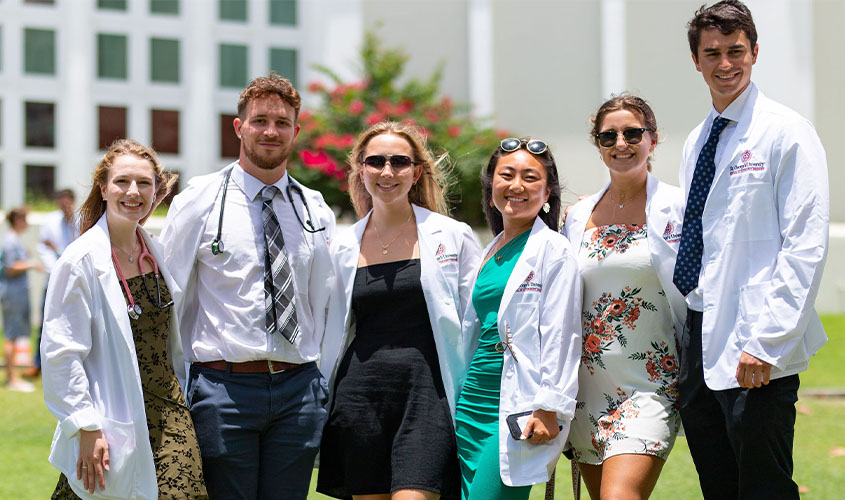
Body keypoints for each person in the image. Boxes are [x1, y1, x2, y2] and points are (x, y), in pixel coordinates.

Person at [676, 2, 829, 498]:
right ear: (695, 62)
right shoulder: (697, 141)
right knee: (717, 479)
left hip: (758, 335)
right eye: (712, 53)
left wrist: (769, 340)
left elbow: (806, 242)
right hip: (703, 333)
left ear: (755, 52)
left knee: (763, 485)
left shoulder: (786, 131)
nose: (725, 64)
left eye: (736, 51)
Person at [159, 73, 336, 500]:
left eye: (281, 122)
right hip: (223, 390)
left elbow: (325, 304)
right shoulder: (198, 201)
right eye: (260, 120)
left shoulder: (314, 208)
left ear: (296, 130)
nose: (270, 131)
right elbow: (171, 300)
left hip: (299, 391)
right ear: (239, 127)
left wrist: (321, 384)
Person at [318, 122, 481, 500]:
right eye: (375, 161)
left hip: (428, 394)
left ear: (416, 171)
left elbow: (473, 321)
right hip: (360, 397)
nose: (387, 171)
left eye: (399, 162)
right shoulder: (341, 245)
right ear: (361, 170)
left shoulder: (452, 235)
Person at [41, 139, 206, 499]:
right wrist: (84, 425)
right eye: (122, 182)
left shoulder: (156, 252)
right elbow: (61, 353)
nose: (133, 191)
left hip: (170, 411)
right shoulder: (79, 261)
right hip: (111, 415)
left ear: (156, 191)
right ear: (103, 188)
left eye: (145, 183)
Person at [562, 95, 687, 499]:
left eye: (633, 133)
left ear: (653, 139)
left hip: (650, 385)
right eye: (608, 136)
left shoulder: (678, 208)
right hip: (586, 388)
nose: (621, 143)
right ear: (597, 145)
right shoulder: (578, 216)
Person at [455, 138, 582, 500]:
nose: (517, 186)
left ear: (547, 192)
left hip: (518, 403)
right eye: (506, 175)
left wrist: (550, 405)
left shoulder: (553, 249)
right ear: (491, 185)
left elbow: (563, 332)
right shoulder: (490, 250)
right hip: (473, 401)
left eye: (530, 177)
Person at [27, 189, 78, 378]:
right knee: (45, 320)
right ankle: (37, 364)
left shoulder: (82, 221)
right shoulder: (51, 221)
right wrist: (59, 261)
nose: (64, 208)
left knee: (74, 321)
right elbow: (43, 248)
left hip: (75, 277)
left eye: (67, 204)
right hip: (54, 276)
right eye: (61, 204)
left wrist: (59, 252)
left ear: (73, 202)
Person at [1, 207, 42, 392]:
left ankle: (13, 376)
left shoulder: (14, 240)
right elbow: (10, 268)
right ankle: (12, 378)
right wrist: (31, 264)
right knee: (11, 334)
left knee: (16, 334)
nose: (26, 222)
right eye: (24, 218)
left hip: (16, 293)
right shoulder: (10, 241)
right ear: (17, 220)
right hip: (12, 293)